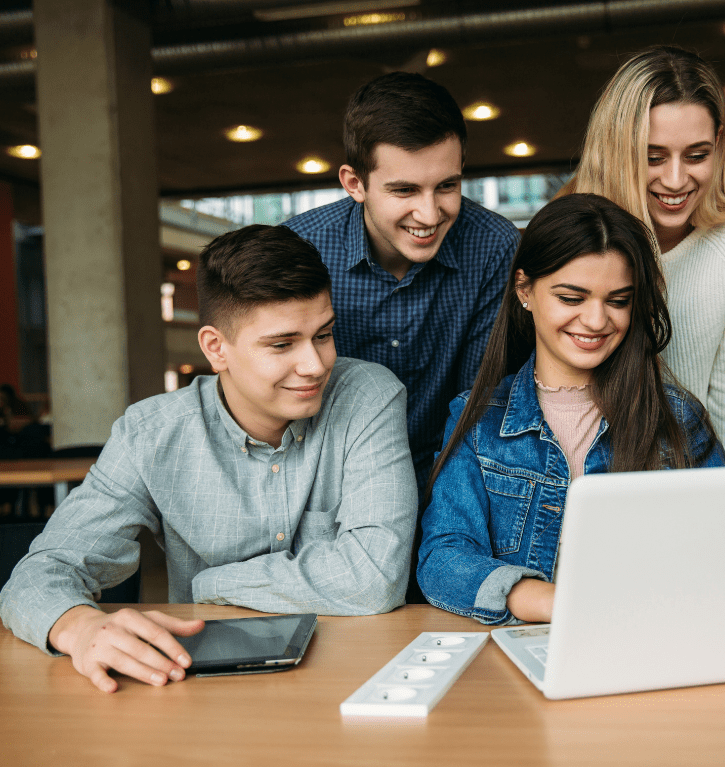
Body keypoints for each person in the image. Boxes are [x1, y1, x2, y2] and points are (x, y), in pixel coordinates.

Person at [0, 225, 417, 693]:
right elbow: (39, 574)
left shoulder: (368, 396)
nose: (316, 364)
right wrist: (78, 626)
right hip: (199, 684)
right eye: (282, 345)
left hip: (350, 670)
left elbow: (374, 578)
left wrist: (212, 582)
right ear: (215, 348)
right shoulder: (151, 433)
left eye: (324, 334)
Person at [417, 194, 725, 625]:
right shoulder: (478, 418)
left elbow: (723, 554)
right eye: (572, 297)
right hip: (527, 648)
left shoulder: (678, 420)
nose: (597, 320)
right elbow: (442, 558)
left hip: (653, 640)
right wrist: (551, 602)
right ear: (525, 290)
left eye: (618, 301)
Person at [562, 45, 725, 466]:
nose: (675, 181)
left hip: (723, 446)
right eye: (653, 157)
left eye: (697, 155)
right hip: (610, 449)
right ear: (618, 150)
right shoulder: (584, 220)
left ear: (720, 144)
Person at [285, 72, 520, 498]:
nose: (429, 215)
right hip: (325, 488)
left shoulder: (495, 247)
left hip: (449, 483)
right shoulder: (299, 247)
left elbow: (478, 403)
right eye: (405, 190)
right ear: (355, 183)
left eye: (446, 186)